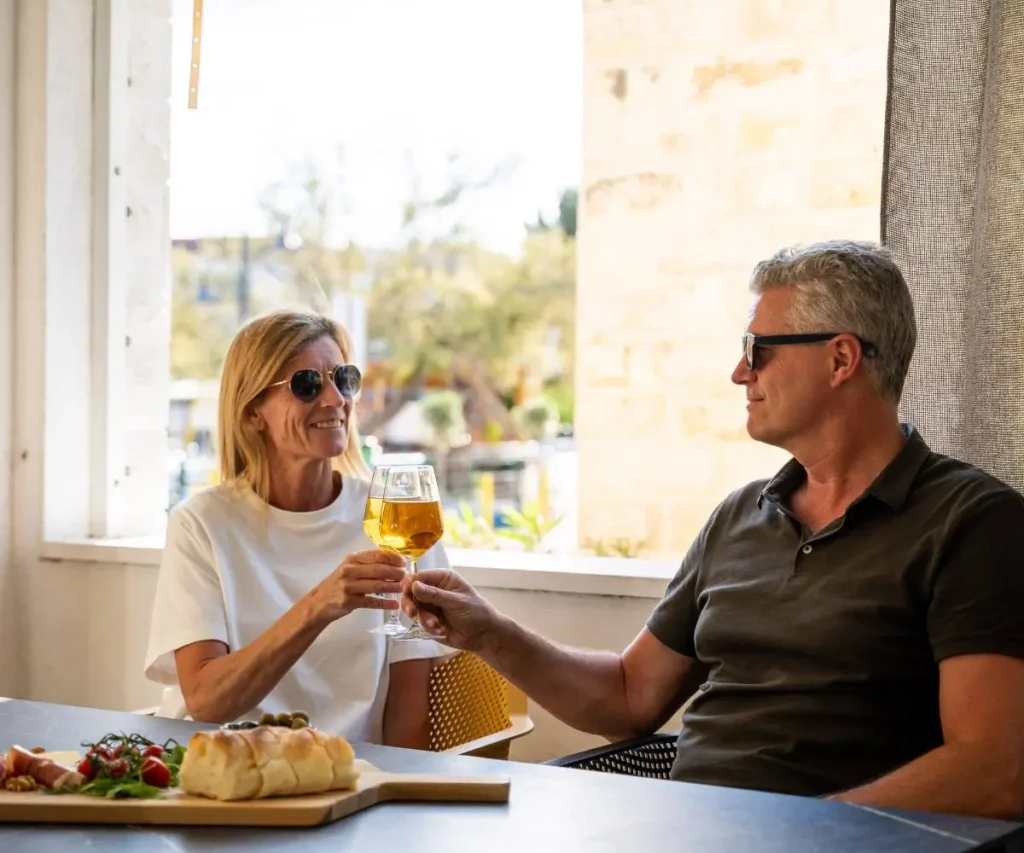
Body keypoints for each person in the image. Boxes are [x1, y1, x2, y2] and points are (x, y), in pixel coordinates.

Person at [401, 240, 1024, 818]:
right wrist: (488, 633)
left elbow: (994, 770)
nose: (738, 372)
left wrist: (805, 835)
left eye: (758, 350)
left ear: (840, 358)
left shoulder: (972, 522)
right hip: (687, 828)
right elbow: (628, 698)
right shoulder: (740, 515)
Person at [145, 309, 450, 748]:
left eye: (342, 379)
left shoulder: (393, 514)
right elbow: (206, 701)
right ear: (253, 413)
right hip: (222, 779)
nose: (334, 399)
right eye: (307, 384)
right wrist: (321, 604)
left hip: (348, 782)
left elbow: (410, 715)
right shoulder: (202, 524)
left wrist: (389, 796)